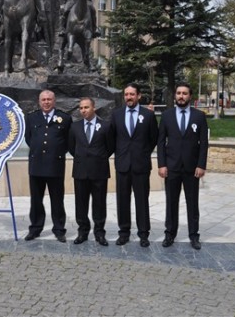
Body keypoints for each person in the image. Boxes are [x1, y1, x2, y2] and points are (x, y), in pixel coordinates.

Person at [157, 82, 209, 250]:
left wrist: (201, 165)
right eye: (178, 93)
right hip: (171, 167)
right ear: (175, 95)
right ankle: (169, 234)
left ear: (190, 96)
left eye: (184, 93)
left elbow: (204, 144)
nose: (181, 96)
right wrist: (162, 164)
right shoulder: (167, 116)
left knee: (192, 203)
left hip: (192, 168)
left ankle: (194, 235)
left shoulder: (199, 116)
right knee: (171, 202)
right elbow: (160, 142)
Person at [109, 83, 158, 247]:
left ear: (138, 96)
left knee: (142, 200)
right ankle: (124, 233)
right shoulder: (116, 115)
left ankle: (144, 234)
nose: (128, 97)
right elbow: (112, 139)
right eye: (126, 94)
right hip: (122, 165)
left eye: (132, 94)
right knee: (122, 200)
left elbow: (153, 139)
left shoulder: (148, 115)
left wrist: (142, 153)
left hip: (141, 165)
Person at [24, 90, 72, 243]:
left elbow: (68, 141)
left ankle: (59, 229)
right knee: (36, 200)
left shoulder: (64, 118)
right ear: (39, 101)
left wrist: (56, 152)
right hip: (36, 165)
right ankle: (35, 228)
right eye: (43, 99)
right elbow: (29, 138)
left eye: (49, 99)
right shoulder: (31, 117)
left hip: (55, 164)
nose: (46, 102)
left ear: (54, 101)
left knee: (57, 199)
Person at [68, 97, 112, 246]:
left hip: (99, 170)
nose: (83, 111)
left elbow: (110, 146)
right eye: (81, 108)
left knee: (99, 203)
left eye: (86, 107)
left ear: (94, 108)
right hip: (80, 171)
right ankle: (83, 232)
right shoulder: (75, 127)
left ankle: (99, 233)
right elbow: (71, 147)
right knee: (81, 203)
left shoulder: (105, 126)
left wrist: (98, 157)